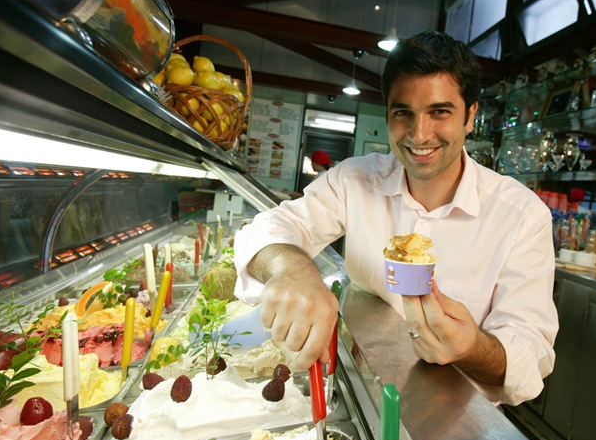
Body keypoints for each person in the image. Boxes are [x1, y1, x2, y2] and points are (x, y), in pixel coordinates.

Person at [232, 30, 558, 406]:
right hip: (364, 388)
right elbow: (265, 230)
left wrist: (471, 348)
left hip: (460, 418)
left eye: (439, 111)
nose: (419, 135)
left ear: (470, 116)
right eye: (403, 112)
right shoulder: (355, 180)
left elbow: (532, 352)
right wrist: (293, 270)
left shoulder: (522, 215)